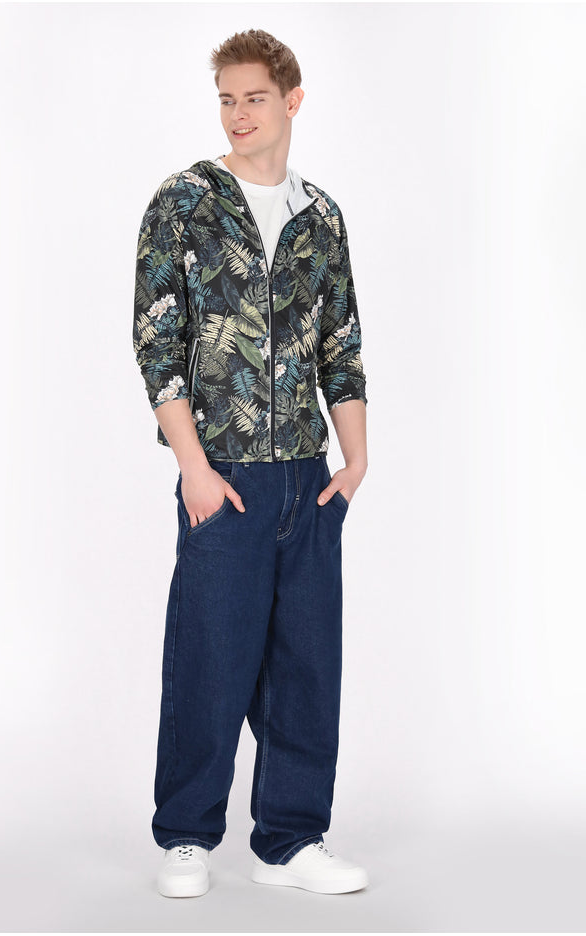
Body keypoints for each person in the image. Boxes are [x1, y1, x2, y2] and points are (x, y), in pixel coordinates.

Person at [133, 28, 369, 898]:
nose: (238, 114)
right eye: (227, 99)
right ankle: (186, 837)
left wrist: (354, 460)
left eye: (254, 98)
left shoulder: (320, 215)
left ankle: (291, 840)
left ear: (291, 101)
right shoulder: (185, 201)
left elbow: (340, 343)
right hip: (223, 475)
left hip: (307, 476)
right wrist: (193, 467)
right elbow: (156, 340)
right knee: (209, 658)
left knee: (306, 667)